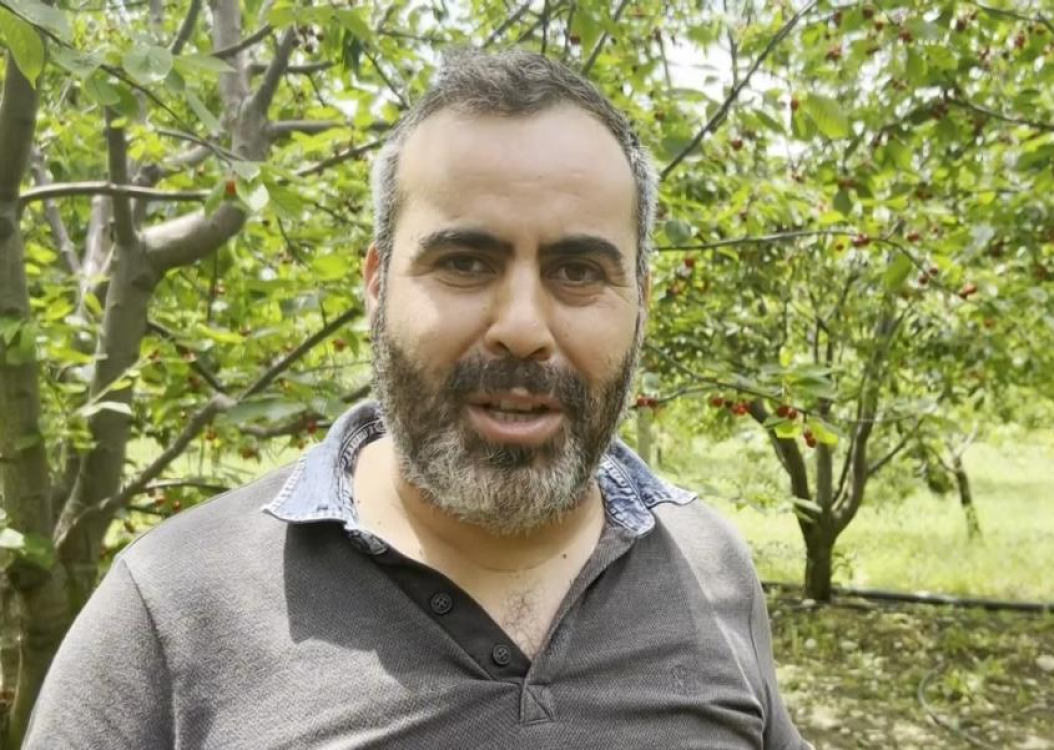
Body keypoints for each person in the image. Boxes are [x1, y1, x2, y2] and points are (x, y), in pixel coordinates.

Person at [24, 48, 809, 750]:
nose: (522, 329)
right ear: (375, 286)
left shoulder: (710, 565)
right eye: (465, 262)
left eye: (579, 272)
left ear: (641, 303)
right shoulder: (172, 609)